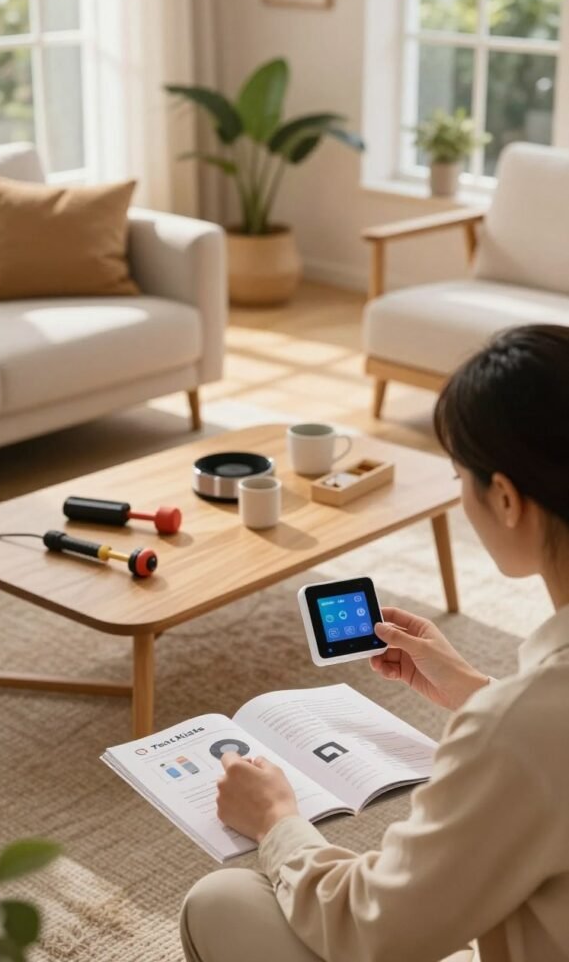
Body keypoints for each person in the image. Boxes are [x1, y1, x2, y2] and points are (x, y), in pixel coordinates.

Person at [180, 324, 569, 962]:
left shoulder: (520, 731)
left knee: (222, 902)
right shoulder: (528, 719)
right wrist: (476, 690)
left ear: (504, 498)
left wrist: (277, 820)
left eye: (459, 477)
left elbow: (374, 927)